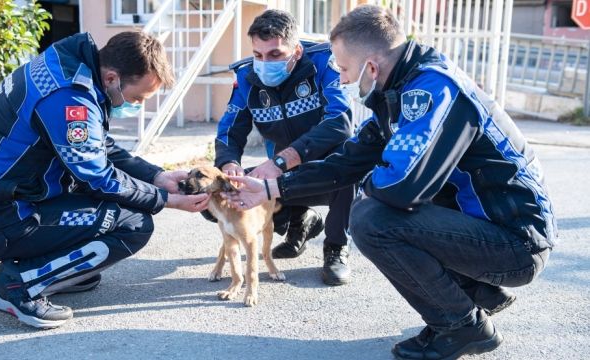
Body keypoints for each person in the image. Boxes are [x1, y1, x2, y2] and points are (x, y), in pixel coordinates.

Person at [221, 5, 555, 359]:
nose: (343, 79)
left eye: (344, 68)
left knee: (372, 218)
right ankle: (475, 293)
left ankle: (461, 326)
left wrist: (365, 184)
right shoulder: (398, 91)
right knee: (378, 206)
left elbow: (402, 187)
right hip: (491, 231)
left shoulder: (431, 91)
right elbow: (349, 158)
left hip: (516, 244)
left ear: (371, 67)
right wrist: (273, 188)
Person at [0, 31, 210, 329]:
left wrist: (157, 176)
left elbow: (98, 146)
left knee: (109, 205)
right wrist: (166, 200)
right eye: (136, 98)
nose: (135, 105)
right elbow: (98, 177)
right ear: (111, 78)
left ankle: (59, 271)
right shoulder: (70, 99)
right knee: (133, 224)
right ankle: (17, 287)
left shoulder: (67, 66)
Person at [209, 9, 356, 285]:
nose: (264, 62)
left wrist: (281, 161)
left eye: (275, 54)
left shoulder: (323, 65)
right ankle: (301, 220)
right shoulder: (246, 79)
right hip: (282, 175)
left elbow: (340, 122)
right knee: (216, 198)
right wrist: (229, 165)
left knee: (344, 172)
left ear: (296, 51)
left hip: (325, 172)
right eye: (258, 55)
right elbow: (229, 132)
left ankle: (335, 247)